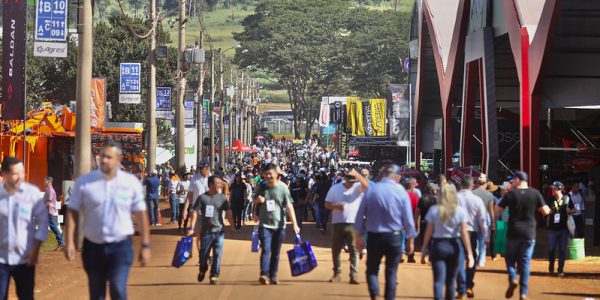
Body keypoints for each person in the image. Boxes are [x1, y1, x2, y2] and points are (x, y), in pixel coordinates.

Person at [65, 141, 151, 300]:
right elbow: (72, 212)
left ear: (118, 159)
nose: (104, 160)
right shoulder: (85, 182)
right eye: (102, 157)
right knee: (96, 293)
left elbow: (141, 215)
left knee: (118, 289)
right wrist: (69, 242)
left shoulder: (130, 183)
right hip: (92, 247)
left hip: (120, 246)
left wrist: (145, 245)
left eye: (109, 157)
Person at [354, 164, 417, 300]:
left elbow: (360, 215)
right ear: (396, 176)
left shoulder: (371, 190)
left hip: (374, 237)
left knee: (372, 269)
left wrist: (358, 236)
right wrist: (411, 240)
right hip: (394, 237)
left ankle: (375, 294)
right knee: (391, 272)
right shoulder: (401, 191)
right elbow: (408, 219)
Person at [496, 171, 550, 300]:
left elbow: (498, 211)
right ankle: (523, 292)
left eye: (514, 179)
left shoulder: (510, 194)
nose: (513, 182)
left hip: (514, 231)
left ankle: (513, 278)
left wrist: (496, 222)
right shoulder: (535, 193)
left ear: (519, 179)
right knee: (525, 262)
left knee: (509, 259)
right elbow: (546, 211)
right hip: (529, 232)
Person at [0, 157, 49, 300]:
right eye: (16, 173)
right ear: (4, 174)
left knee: (26, 296)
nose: (20, 176)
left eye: (22, 172)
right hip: (1, 259)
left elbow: (43, 220)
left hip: (25, 258)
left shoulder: (31, 193)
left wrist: (36, 249)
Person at [421, 184, 475, 300]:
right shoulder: (460, 211)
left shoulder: (434, 210)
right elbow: (464, 233)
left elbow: (428, 232)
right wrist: (470, 254)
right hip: (455, 246)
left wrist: (424, 249)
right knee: (451, 281)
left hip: (438, 245)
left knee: (438, 280)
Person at [253, 164, 301, 285]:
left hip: (280, 226)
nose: (268, 176)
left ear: (276, 174)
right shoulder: (262, 187)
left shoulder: (283, 188)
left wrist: (295, 224)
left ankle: (273, 275)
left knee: (276, 252)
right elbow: (255, 200)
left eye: (270, 174)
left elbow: (289, 206)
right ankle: (264, 274)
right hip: (264, 225)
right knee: (266, 250)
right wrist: (257, 204)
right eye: (266, 174)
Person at [325, 170, 369, 285]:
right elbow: (326, 204)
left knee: (354, 250)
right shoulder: (335, 188)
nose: (351, 184)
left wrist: (358, 175)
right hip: (337, 223)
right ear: (344, 179)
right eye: (349, 181)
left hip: (354, 224)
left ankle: (353, 275)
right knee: (336, 250)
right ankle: (337, 274)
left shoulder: (358, 187)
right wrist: (336, 206)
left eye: (353, 181)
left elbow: (368, 186)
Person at [188, 176, 234, 285]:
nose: (220, 184)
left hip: (219, 231)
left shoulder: (222, 198)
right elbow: (194, 212)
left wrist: (232, 225)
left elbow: (228, 212)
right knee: (203, 254)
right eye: (218, 183)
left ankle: (214, 276)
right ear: (211, 185)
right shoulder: (202, 198)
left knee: (217, 254)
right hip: (206, 232)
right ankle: (202, 269)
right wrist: (192, 227)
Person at [456, 175, 489, 299]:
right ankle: (468, 284)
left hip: (456, 233)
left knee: (458, 260)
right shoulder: (477, 200)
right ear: (472, 186)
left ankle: (461, 288)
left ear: (461, 185)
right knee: (472, 259)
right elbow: (482, 220)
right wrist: (486, 237)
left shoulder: (454, 198)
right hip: (472, 233)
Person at [547, 181, 573, 276]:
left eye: (554, 188)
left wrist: (569, 210)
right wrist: (548, 211)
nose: (552, 190)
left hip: (563, 229)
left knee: (562, 250)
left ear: (559, 189)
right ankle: (551, 264)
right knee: (551, 249)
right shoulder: (550, 199)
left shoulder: (567, 199)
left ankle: (560, 269)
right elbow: (546, 210)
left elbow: (574, 209)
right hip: (552, 229)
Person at [472, 174, 496, 267]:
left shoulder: (472, 193)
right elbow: (491, 210)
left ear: (477, 182)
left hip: (475, 217)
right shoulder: (489, 194)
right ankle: (481, 260)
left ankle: (477, 256)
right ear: (486, 183)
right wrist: (493, 222)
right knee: (483, 239)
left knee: (476, 239)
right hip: (486, 217)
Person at [44, 176, 64, 251]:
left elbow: (49, 201)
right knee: (53, 226)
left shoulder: (50, 191)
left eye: (45, 181)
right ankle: (60, 242)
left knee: (53, 226)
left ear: (49, 182)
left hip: (50, 210)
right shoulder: (48, 190)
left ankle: (62, 242)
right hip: (49, 210)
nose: (44, 182)